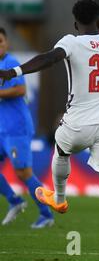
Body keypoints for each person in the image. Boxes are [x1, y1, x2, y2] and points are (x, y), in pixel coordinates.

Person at [0, 0, 99, 257]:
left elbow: (48, 59)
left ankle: (59, 199)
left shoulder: (72, 41)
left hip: (77, 122)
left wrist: (13, 72)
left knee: (61, 150)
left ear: (75, 22)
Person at [0, 27, 54, 228]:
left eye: (1, 41)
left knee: (23, 173)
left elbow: (20, 89)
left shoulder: (10, 63)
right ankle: (14, 201)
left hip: (17, 128)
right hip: (3, 128)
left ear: (7, 43)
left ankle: (46, 213)